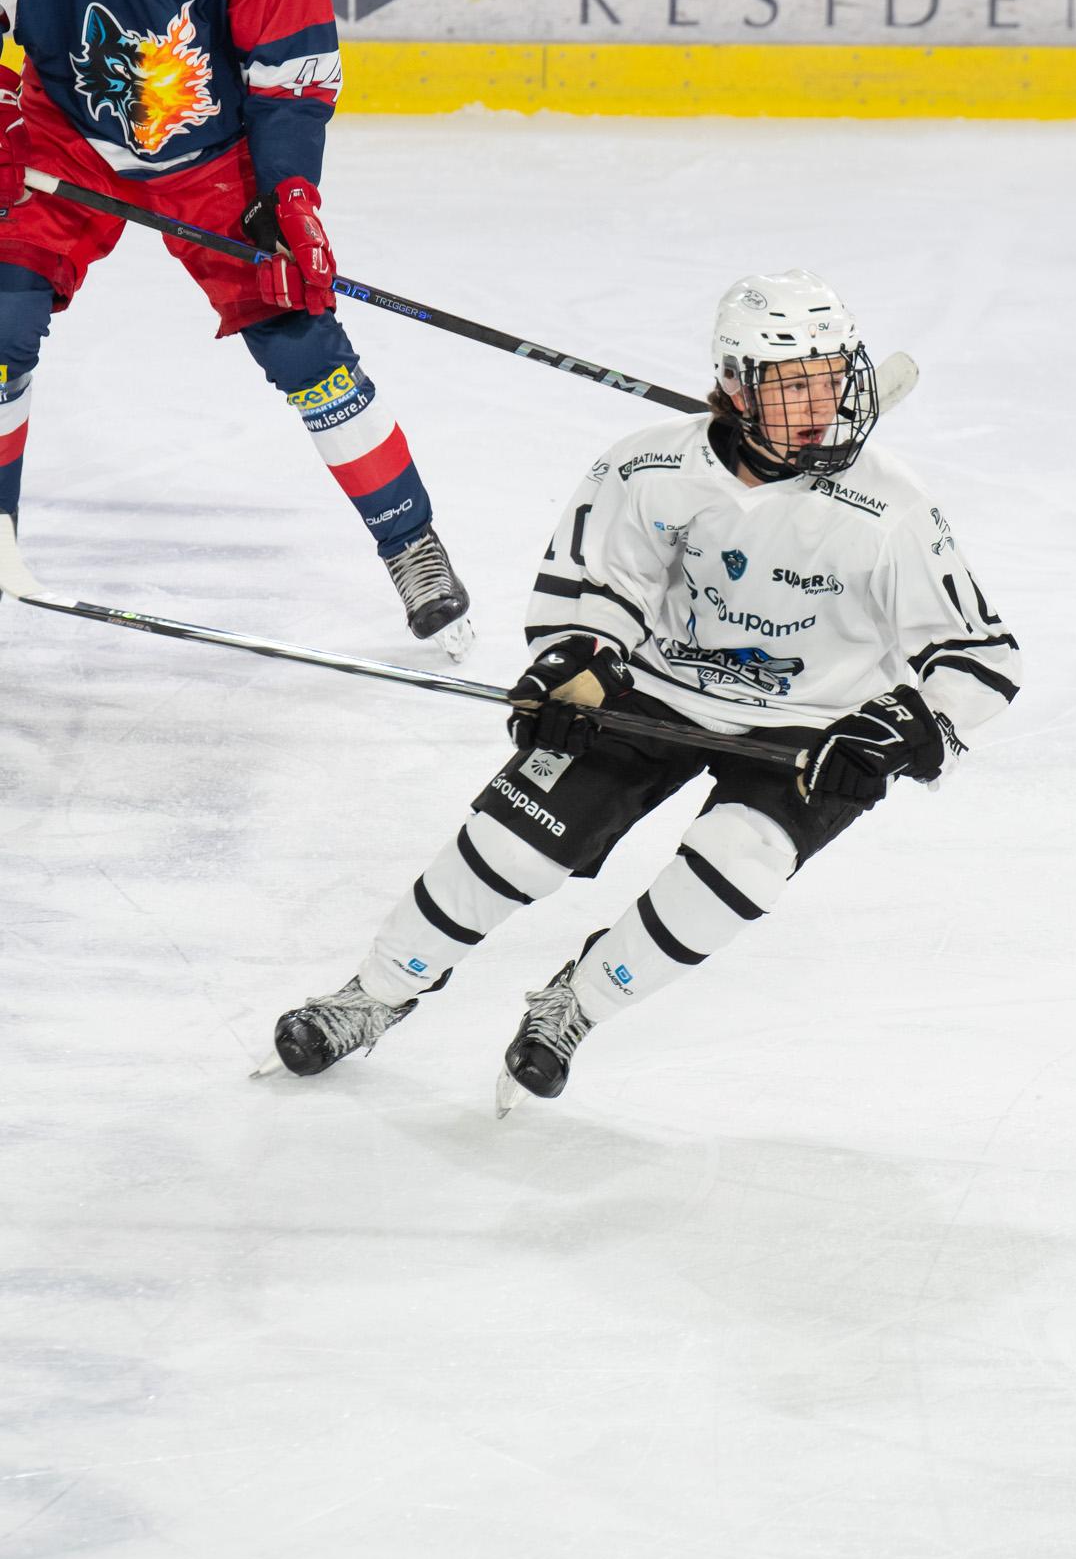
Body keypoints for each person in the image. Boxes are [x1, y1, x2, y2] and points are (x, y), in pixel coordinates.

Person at [266, 268, 1023, 1110]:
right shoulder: (649, 468)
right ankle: (372, 995)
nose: (823, 406)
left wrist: (895, 730)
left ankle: (574, 1006)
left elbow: (981, 658)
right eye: (793, 385)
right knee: (512, 846)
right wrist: (575, 664)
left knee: (741, 870)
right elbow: (595, 593)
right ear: (735, 386)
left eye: (834, 379)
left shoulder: (890, 510)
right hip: (657, 690)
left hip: (810, 727)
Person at [0, 0, 472, 657]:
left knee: (304, 346)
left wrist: (290, 194)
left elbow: (292, 75)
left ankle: (412, 544)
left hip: (211, 162)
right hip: (59, 140)